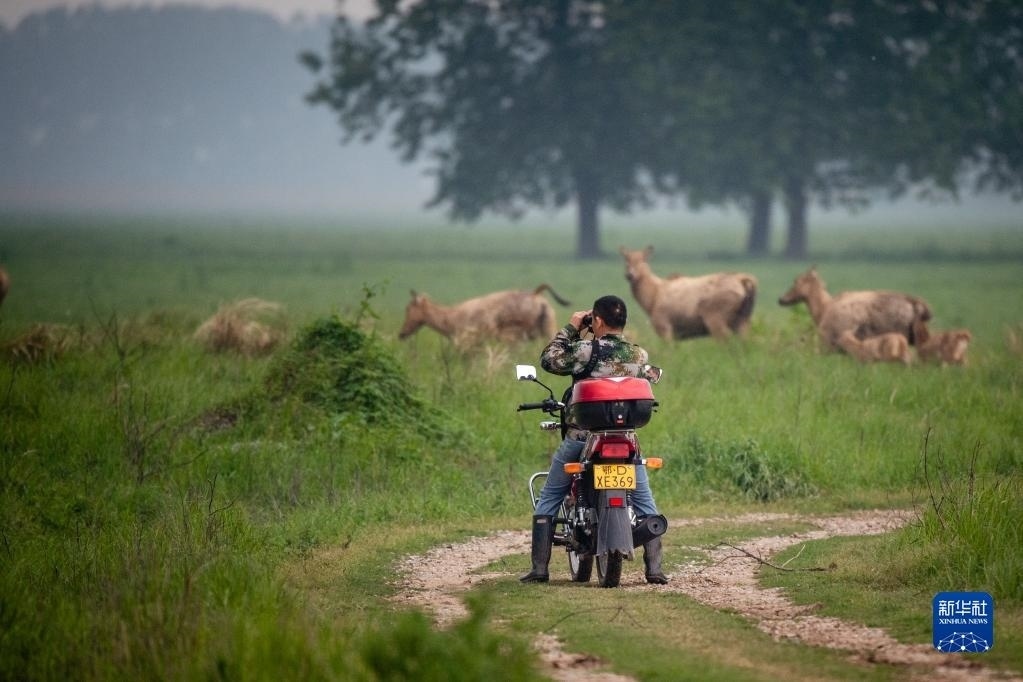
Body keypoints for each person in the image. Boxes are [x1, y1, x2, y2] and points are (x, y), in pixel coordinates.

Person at [520, 294, 668, 585]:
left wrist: (572, 327)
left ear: (597, 320)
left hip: (582, 438)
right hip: (625, 438)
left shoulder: (585, 350)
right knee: (644, 501)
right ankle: (654, 569)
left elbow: (549, 360)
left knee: (550, 496)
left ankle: (539, 569)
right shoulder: (639, 355)